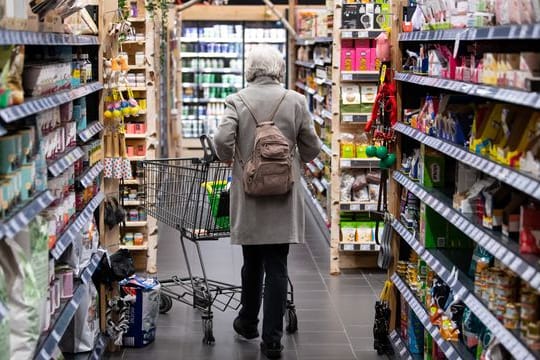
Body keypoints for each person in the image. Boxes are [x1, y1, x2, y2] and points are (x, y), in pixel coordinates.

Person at [213, 45, 321, 359]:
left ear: (251, 70)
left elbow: (222, 142)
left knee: (252, 263)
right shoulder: (296, 101)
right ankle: (271, 341)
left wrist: (234, 157)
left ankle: (247, 321)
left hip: (249, 197)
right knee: (277, 266)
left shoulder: (237, 100)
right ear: (278, 69)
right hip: (283, 197)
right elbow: (312, 147)